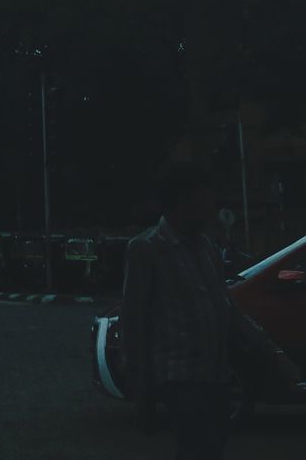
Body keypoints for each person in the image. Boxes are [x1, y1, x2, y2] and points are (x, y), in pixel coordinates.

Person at [121, 162, 301, 459]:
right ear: (183, 201)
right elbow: (134, 320)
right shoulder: (146, 250)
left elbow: (227, 311)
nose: (210, 208)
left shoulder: (206, 248)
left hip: (216, 379)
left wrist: (274, 356)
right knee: (202, 450)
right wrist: (141, 389)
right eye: (204, 200)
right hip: (178, 379)